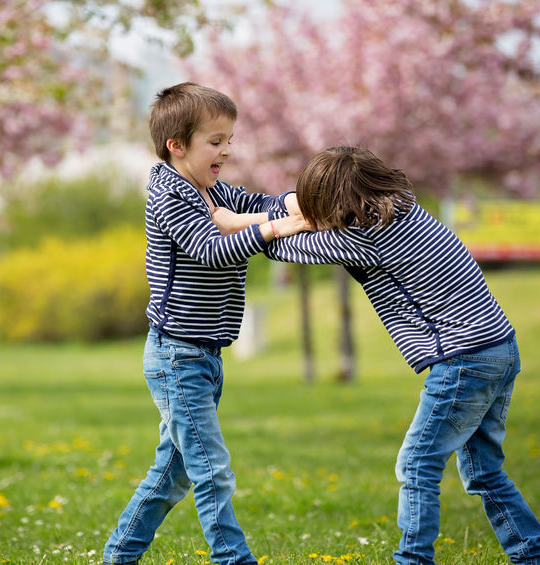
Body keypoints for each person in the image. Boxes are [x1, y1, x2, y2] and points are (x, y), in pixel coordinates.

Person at [214, 145, 540, 565]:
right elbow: (300, 214)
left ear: (338, 207)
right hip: (499, 348)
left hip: (463, 359)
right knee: (484, 471)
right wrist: (268, 204)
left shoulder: (366, 239)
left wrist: (228, 222)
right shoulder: (405, 207)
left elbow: (279, 247)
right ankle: (534, 557)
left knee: (416, 465)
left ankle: (412, 560)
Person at [102, 82, 308, 565]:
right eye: (215, 141)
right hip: (177, 354)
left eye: (229, 139)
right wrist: (273, 230)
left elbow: (258, 204)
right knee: (211, 470)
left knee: (172, 472)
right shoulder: (170, 195)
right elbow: (213, 251)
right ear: (178, 145)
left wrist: (300, 203)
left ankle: (118, 555)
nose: (227, 150)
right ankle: (233, 559)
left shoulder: (208, 188)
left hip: (203, 355)